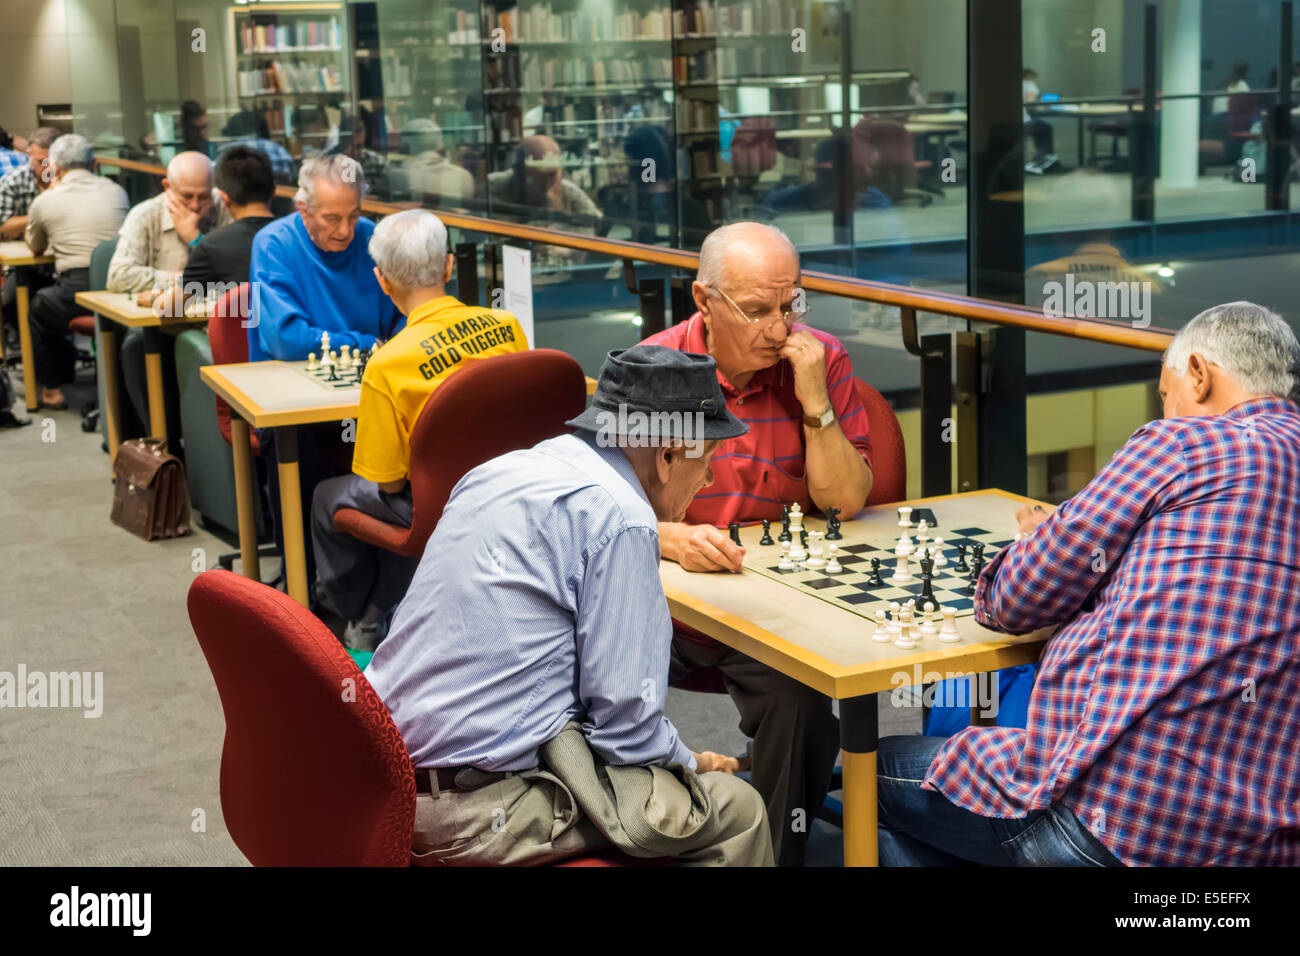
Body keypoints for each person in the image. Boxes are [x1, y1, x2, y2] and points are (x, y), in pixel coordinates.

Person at [879, 301, 1300, 867]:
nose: (1166, 409)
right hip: (1266, 844)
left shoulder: (1178, 445)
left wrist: (1041, 543)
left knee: (870, 774)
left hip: (1114, 821)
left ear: (1198, 375)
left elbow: (1014, 598)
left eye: (1165, 393)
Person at [365, 345, 773, 867]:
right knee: (738, 807)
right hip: (471, 813)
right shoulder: (622, 517)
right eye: (709, 459)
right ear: (669, 454)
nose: (711, 480)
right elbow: (627, 732)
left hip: (381, 777)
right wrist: (693, 761)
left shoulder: (501, 469)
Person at [640, 221, 875, 866]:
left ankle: (775, 854)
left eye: (790, 303)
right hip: (662, 607)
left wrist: (815, 404)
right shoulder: (654, 369)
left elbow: (844, 503)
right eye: (757, 310)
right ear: (704, 301)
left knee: (798, 702)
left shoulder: (818, 359)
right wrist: (670, 536)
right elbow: (600, 508)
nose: (779, 328)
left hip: (768, 610)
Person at [309, 209, 526, 650]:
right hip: (513, 494)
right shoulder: (509, 327)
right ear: (449, 266)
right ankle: (384, 609)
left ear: (383, 282)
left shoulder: (387, 365)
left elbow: (386, 480)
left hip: (438, 508)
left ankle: (357, 615)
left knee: (327, 496)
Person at [249, 154, 404, 598]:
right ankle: (301, 588)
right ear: (302, 210)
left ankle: (384, 591)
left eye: (354, 215)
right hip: (292, 399)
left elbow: (401, 319)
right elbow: (284, 338)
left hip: (366, 393)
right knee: (299, 450)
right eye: (331, 218)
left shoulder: (373, 239)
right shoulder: (273, 243)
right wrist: (364, 343)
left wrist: (385, 344)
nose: (345, 230)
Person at [107, 150, 231, 443]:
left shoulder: (223, 210)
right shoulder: (145, 215)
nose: (196, 205)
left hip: (210, 325)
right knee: (135, 346)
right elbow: (119, 275)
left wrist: (194, 241)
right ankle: (163, 447)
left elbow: (234, 275)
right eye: (186, 196)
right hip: (160, 328)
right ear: (167, 188)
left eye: (204, 196)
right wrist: (181, 281)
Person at [24, 134, 129, 409]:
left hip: (76, 292)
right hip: (118, 288)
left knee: (38, 307)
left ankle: (51, 390)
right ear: (94, 163)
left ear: (55, 167)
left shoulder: (46, 201)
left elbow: (35, 246)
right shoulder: (117, 191)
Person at [149, 145, 277, 318]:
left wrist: (154, 297)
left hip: (242, 343)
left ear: (224, 199)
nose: (195, 205)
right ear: (274, 191)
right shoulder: (301, 235)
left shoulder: (213, 246)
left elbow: (169, 309)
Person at [484, 135, 601, 270]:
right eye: (540, 174)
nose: (548, 182)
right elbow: (490, 240)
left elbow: (595, 227)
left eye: (553, 173)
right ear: (519, 171)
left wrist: (566, 248)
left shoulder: (569, 192)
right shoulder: (494, 187)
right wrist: (530, 244)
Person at [1, 127, 60, 352]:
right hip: (28, 266)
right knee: (11, 304)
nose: (43, 168)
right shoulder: (13, 181)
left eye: (49, 162)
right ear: (28, 156)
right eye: (37, 161)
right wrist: (39, 213)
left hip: (63, 262)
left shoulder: (68, 181)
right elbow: (3, 226)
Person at [1022, 68, 1058, 175]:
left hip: (1011, 123)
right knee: (1046, 128)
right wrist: (1042, 108)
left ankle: (1040, 158)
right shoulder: (1030, 85)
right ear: (1030, 77)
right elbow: (1030, 105)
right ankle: (1042, 159)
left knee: (1040, 125)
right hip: (1024, 123)